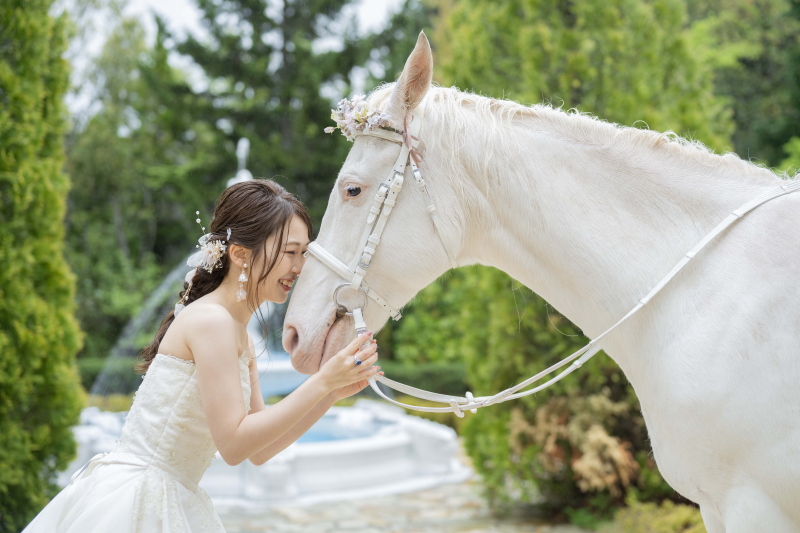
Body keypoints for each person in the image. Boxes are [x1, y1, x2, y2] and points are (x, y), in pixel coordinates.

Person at [23, 179, 382, 532]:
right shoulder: (213, 322)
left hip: (173, 495)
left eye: (305, 253)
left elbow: (260, 450)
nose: (300, 267)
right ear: (240, 254)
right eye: (290, 252)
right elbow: (234, 445)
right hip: (140, 500)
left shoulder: (236, 332)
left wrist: (332, 392)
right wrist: (322, 382)